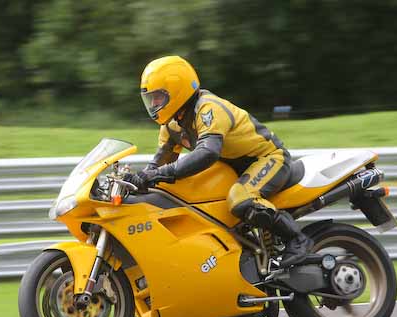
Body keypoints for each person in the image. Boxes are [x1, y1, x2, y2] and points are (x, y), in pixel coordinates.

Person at [125, 55, 313, 268]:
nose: (153, 104)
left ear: (177, 91)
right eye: (150, 99)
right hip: (234, 167)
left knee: (240, 199)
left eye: (158, 98)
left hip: (267, 158)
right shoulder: (171, 125)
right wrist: (136, 181)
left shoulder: (208, 108)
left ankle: (298, 240)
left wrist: (157, 174)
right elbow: (158, 163)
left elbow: (207, 153)